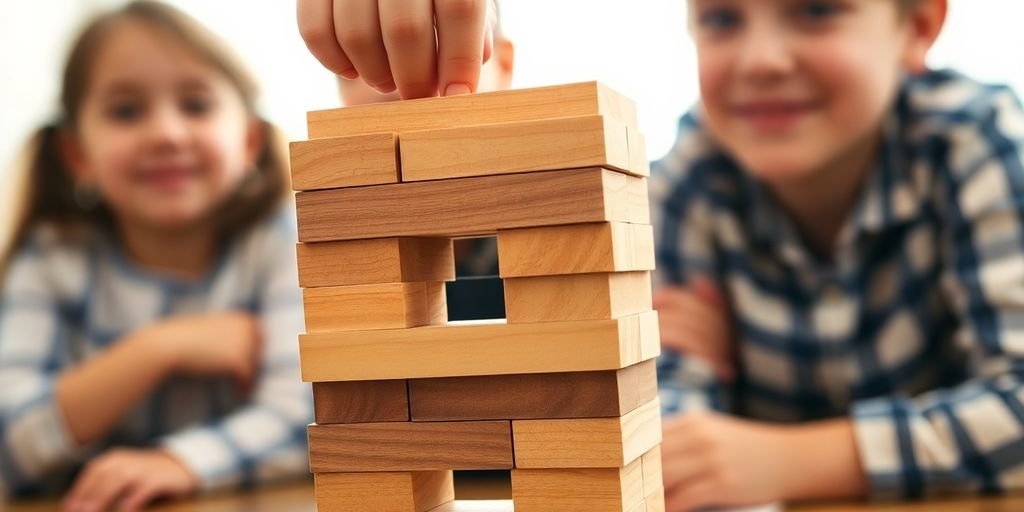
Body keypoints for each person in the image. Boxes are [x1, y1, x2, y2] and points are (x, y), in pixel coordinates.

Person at [298, 0, 1024, 510]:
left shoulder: (975, 141)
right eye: (721, 20)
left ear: (918, 25)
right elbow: (669, 412)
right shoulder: (689, 177)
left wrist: (791, 458)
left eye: (817, 9)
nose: (763, 59)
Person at [0, 2, 311, 509]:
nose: (167, 133)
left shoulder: (280, 240)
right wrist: (161, 347)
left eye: (196, 105)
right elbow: (9, 441)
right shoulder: (53, 257)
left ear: (250, 140)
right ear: (77, 155)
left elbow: (316, 418)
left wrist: (180, 462)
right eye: (126, 111)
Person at [331, 5, 515, 321]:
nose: (400, 86)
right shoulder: (336, 245)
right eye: (360, 58)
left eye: (434, 37)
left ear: (504, 63)